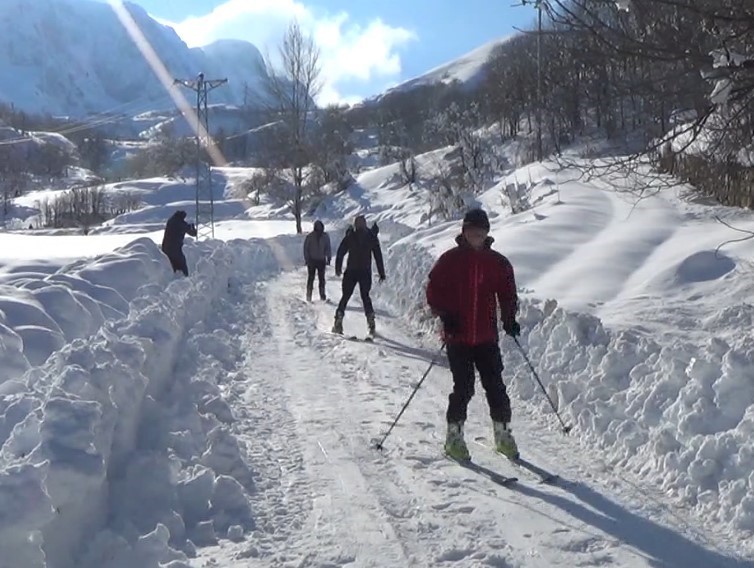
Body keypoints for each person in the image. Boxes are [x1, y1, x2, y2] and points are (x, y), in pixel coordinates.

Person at [426, 208, 521, 461]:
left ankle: (503, 434)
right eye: (471, 231)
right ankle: (454, 437)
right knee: (464, 387)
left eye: (480, 232)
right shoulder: (450, 260)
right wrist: (446, 315)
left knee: (496, 387)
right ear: (464, 232)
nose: (476, 236)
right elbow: (434, 289)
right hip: (458, 337)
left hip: (486, 336)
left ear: (487, 233)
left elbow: (508, 294)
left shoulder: (498, 263)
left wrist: (510, 319)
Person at [332, 215, 386, 336]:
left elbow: (340, 252)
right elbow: (378, 256)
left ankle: (338, 321)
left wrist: (338, 268)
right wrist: (381, 272)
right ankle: (371, 322)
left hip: (351, 271)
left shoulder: (350, 236)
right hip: (365, 272)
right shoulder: (371, 237)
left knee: (345, 296)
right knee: (365, 296)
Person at [161, 210, 197, 277]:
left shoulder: (171, 220)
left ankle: (173, 279)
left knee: (173, 265)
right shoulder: (180, 223)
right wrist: (192, 227)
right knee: (182, 264)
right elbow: (193, 233)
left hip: (165, 248)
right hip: (175, 249)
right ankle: (185, 279)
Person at [303, 219, 332, 302]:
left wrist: (328, 257)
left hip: (321, 261)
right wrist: (307, 259)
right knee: (311, 279)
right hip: (312, 260)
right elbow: (306, 248)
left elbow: (328, 247)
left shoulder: (325, 236)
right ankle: (309, 296)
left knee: (321, 279)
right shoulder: (310, 236)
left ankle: (322, 296)